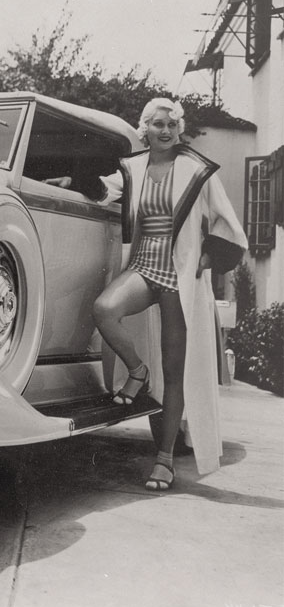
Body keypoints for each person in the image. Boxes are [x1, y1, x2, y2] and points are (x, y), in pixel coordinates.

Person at [92, 98, 247, 491]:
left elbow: (228, 223)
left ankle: (163, 461)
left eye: (172, 125)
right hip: (144, 267)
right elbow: (101, 192)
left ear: (179, 129)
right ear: (145, 128)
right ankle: (138, 373)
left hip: (180, 277)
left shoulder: (198, 170)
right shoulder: (133, 168)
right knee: (105, 308)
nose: (165, 131)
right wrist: (62, 183)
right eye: (158, 124)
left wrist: (209, 255)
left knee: (175, 371)